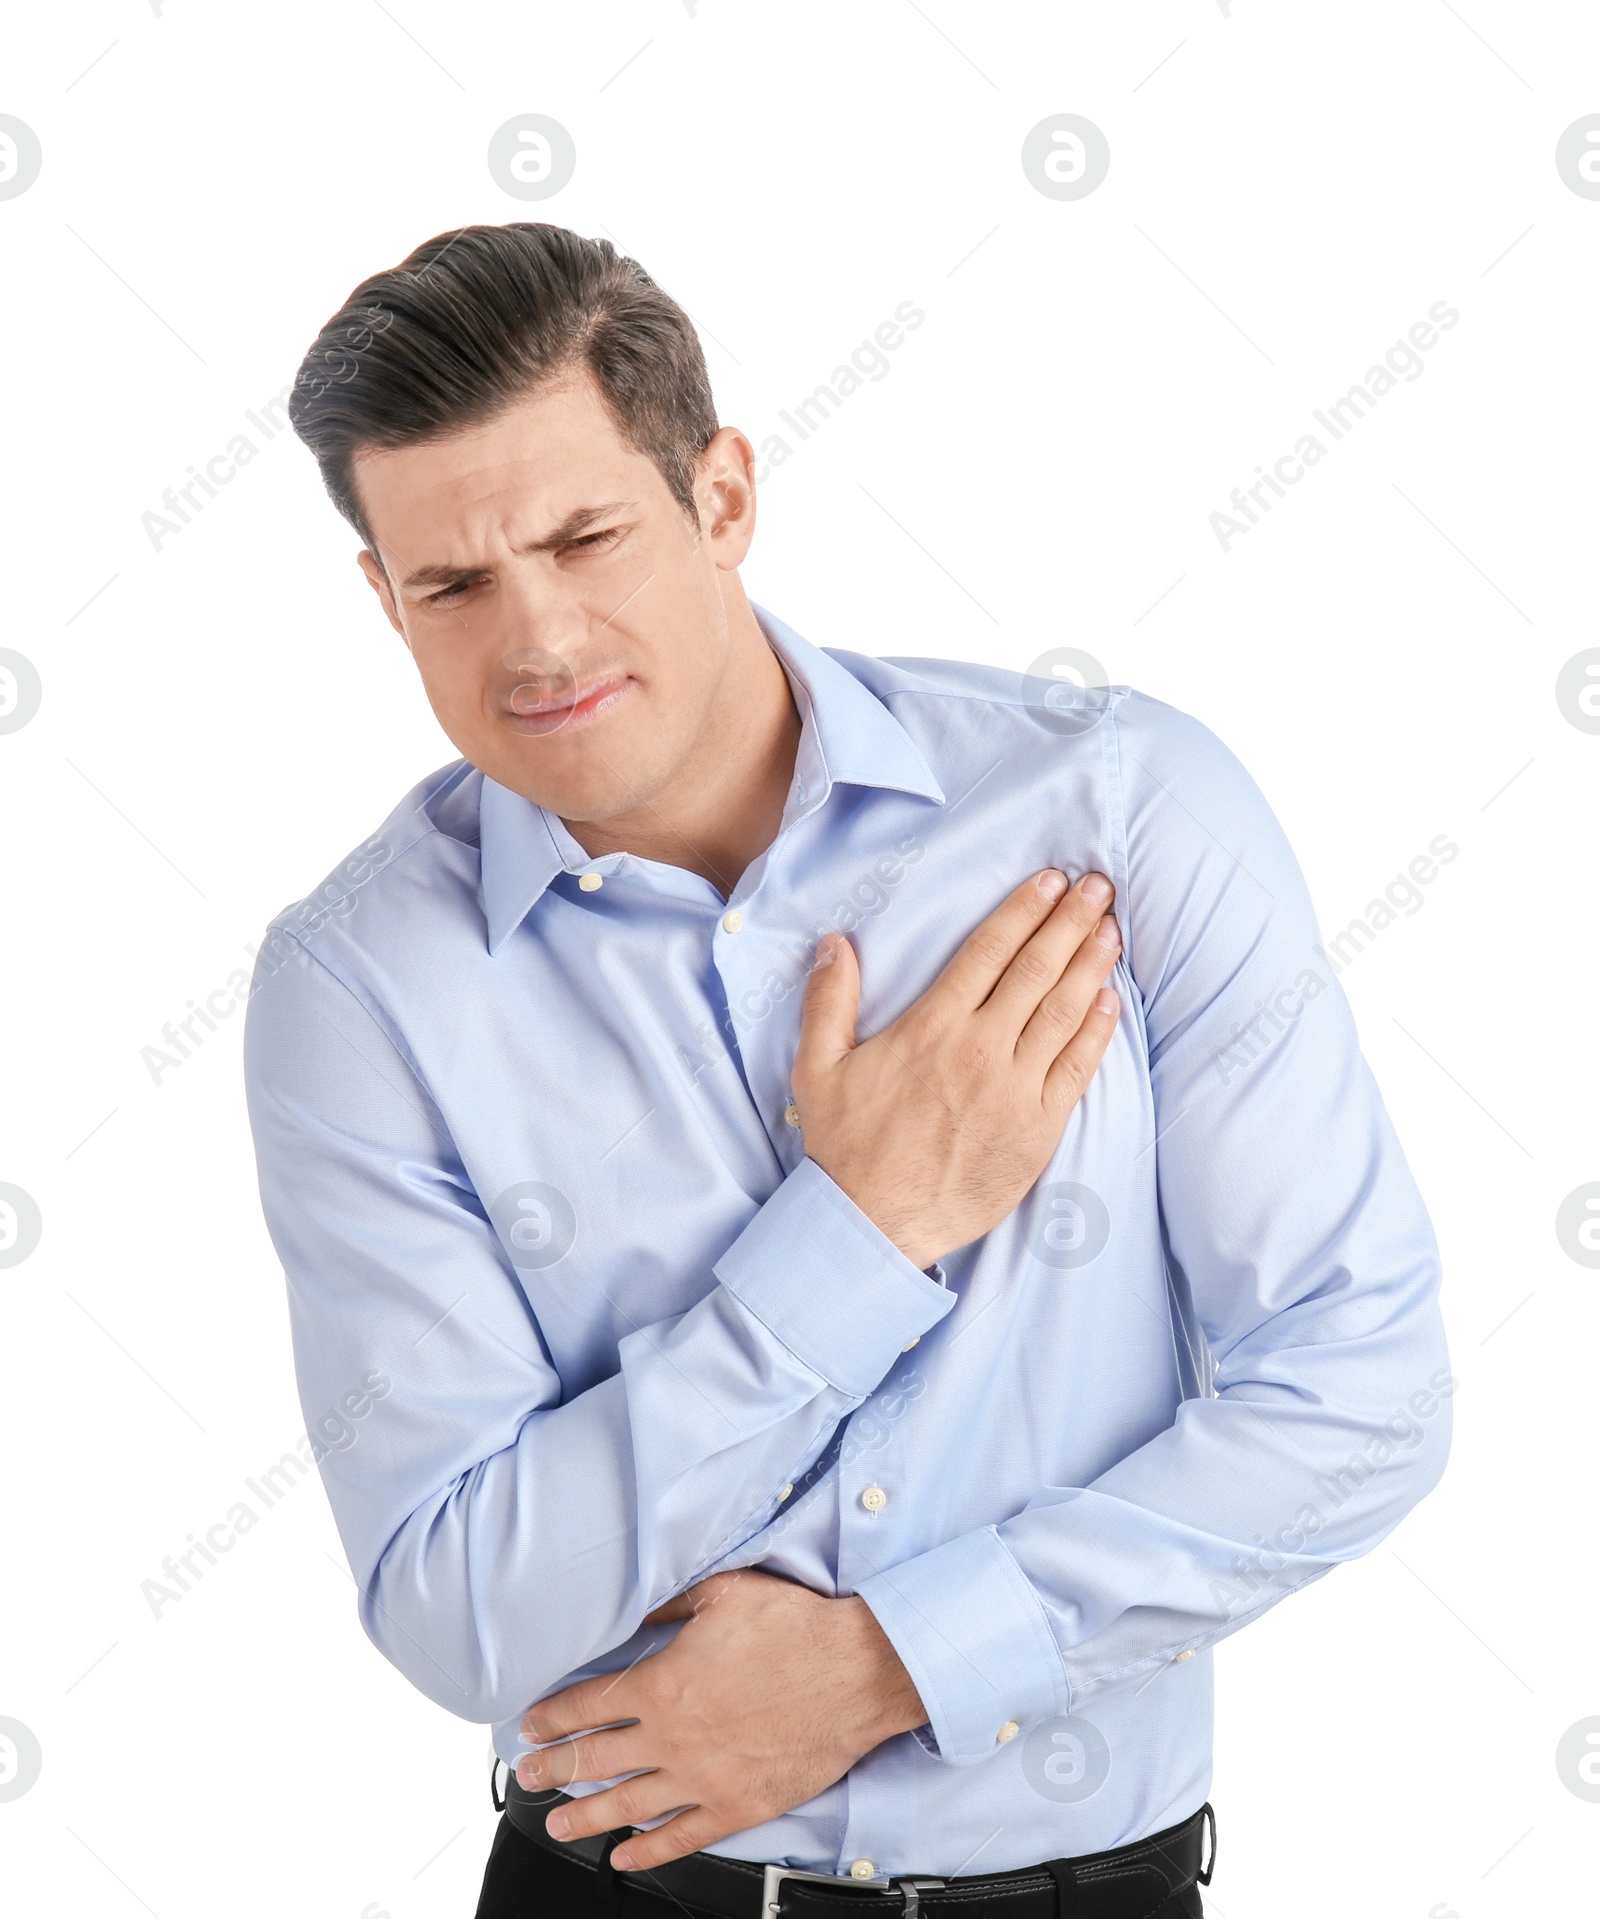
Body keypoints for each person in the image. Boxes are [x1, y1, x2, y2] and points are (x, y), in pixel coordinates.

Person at [243, 223, 1452, 1919]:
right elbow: (461, 1607)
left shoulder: (1118, 814)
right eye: (452, 584)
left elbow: (1362, 1390)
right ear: (385, 597)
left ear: (722, 497)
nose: (536, 637)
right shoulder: (358, 989)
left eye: (588, 535)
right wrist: (868, 1229)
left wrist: (893, 1663)